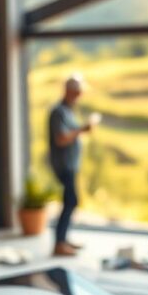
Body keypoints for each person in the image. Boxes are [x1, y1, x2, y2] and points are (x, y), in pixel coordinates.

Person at [48, 74, 94, 257]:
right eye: (76, 92)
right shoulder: (58, 112)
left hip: (71, 164)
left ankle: (63, 240)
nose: (79, 96)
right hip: (63, 165)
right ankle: (59, 243)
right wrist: (82, 130)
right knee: (70, 201)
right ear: (69, 91)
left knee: (71, 201)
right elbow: (61, 138)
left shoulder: (68, 110)